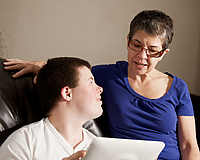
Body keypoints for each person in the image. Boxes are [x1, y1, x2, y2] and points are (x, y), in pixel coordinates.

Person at [3, 10, 200, 160]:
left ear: (163, 53)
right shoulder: (108, 76)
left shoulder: (178, 88)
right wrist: (40, 65)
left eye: (152, 50)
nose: (141, 56)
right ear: (128, 41)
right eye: (136, 45)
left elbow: (189, 145)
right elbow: (74, 75)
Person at [0, 57, 103, 160]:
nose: (100, 88)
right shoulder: (25, 141)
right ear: (67, 93)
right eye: (90, 82)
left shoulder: (100, 148)